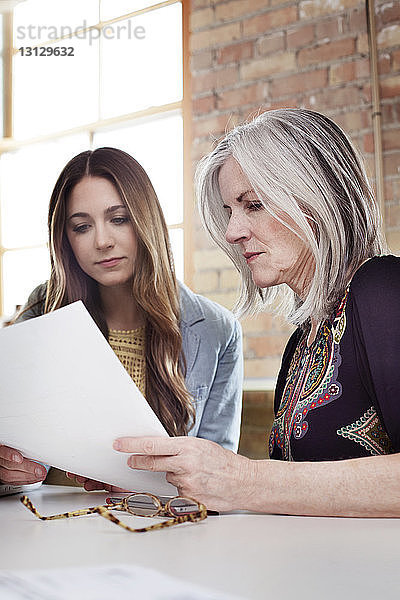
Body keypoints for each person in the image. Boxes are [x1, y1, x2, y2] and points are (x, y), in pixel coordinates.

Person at [111, 108, 400, 518]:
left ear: (316, 198)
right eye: (230, 211)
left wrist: (245, 481)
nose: (232, 232)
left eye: (254, 204)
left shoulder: (384, 288)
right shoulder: (304, 340)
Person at [0, 147, 242, 489]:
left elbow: (218, 479)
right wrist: (8, 472)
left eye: (119, 219)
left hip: (162, 530)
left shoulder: (218, 330)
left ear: (145, 220)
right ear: (65, 239)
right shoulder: (43, 309)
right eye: (82, 227)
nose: (102, 241)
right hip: (56, 527)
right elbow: (17, 462)